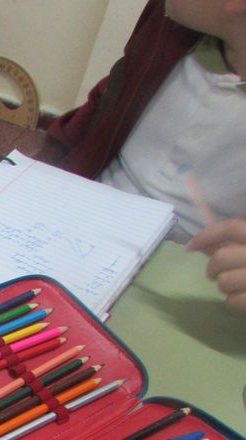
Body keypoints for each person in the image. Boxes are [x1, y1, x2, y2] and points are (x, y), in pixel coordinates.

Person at [39, 0, 246, 311]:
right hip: (74, 225)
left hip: (193, 285)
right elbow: (106, 106)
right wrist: (37, 177)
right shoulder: (169, 21)